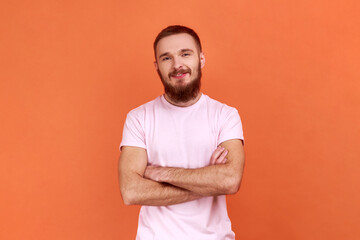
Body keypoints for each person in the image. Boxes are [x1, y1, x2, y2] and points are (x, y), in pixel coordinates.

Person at [118, 25, 245, 240]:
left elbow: (230, 180)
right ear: (157, 66)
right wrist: (207, 182)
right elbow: (131, 192)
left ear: (201, 59)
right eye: (166, 58)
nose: (177, 65)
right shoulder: (139, 118)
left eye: (185, 54)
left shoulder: (225, 115)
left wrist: (159, 173)